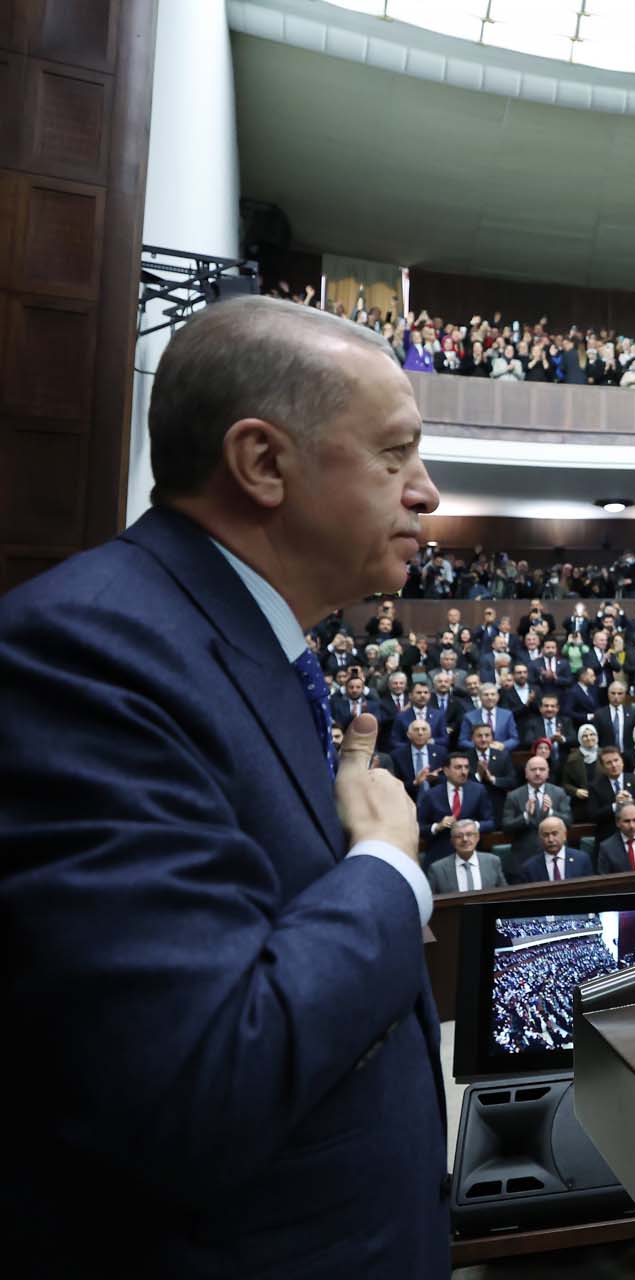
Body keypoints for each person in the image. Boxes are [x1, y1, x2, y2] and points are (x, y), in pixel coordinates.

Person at [4, 297, 451, 1270]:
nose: (426, 493)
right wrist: (383, 870)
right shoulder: (89, 653)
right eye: (394, 455)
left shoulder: (254, 645)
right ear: (262, 463)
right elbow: (197, 1076)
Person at [415, 750, 496, 864]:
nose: (464, 772)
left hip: (471, 854)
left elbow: (490, 823)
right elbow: (419, 827)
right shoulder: (431, 795)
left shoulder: (479, 790)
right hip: (440, 855)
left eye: (466, 767)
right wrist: (437, 826)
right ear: (447, 771)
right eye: (458, 767)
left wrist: (473, 825)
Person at [427, 818, 505, 895]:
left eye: (469, 834)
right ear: (452, 841)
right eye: (459, 836)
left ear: (477, 837)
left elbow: (504, 894)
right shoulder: (437, 869)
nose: (464, 839)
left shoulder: (493, 861)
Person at [511, 815, 593, 882]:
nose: (550, 839)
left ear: (564, 835)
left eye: (554, 834)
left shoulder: (582, 859)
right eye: (546, 835)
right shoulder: (529, 868)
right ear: (540, 839)